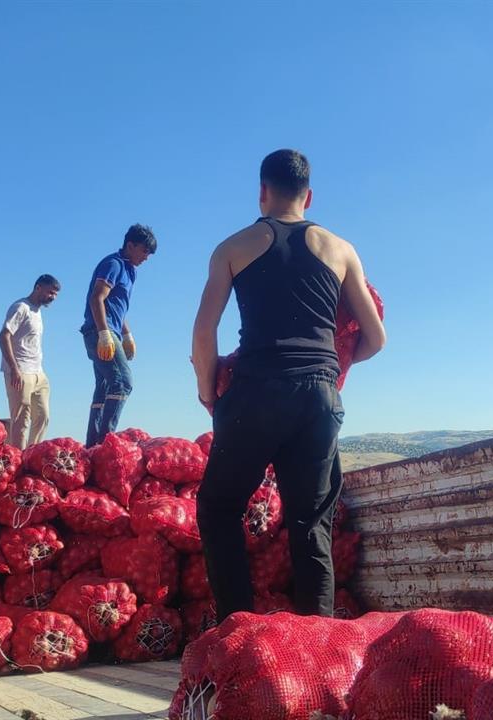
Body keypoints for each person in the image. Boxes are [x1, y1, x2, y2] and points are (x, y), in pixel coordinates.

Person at [191, 149, 387, 620]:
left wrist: (207, 390)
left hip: (254, 392)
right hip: (318, 396)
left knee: (219, 508)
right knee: (311, 522)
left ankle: (237, 631)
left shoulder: (232, 248)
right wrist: (330, 370)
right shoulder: (340, 249)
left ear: (262, 192)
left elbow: (203, 332)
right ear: (309, 196)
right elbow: (376, 338)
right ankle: (315, 648)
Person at [82, 223, 157, 447]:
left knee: (104, 386)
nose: (146, 257)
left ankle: (92, 447)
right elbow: (97, 298)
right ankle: (107, 444)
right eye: (144, 251)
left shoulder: (129, 270)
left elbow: (116, 307)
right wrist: (104, 333)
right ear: (130, 245)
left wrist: (127, 334)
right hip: (99, 330)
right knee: (123, 382)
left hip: (109, 329)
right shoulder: (113, 264)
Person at [0, 274, 59, 449]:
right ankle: (19, 456)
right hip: (20, 370)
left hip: (38, 371)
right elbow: (3, 336)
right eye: (50, 292)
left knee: (43, 415)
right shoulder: (21, 307)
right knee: (21, 418)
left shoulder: (38, 312)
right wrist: (14, 368)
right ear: (38, 287)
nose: (52, 297)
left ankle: (33, 453)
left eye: (55, 294)